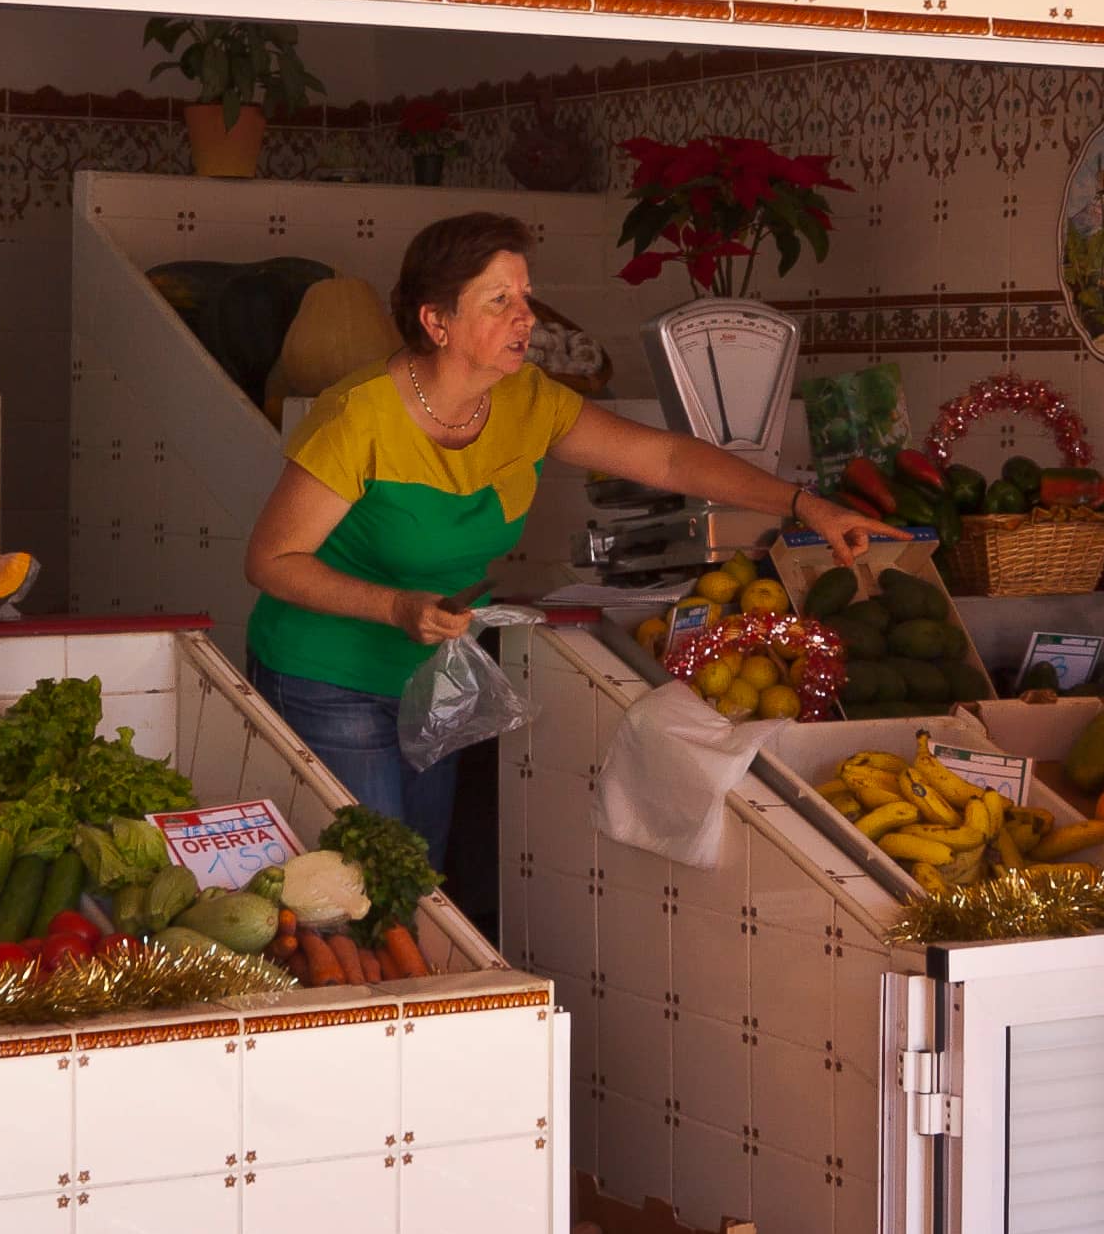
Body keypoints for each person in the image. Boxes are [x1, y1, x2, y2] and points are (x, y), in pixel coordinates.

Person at [243, 212, 881, 847]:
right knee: (366, 886)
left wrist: (804, 504)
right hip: (327, 677)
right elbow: (272, 560)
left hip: (431, 676)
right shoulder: (357, 417)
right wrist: (393, 605)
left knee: (419, 877)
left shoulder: (530, 400)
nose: (526, 317)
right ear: (437, 322)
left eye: (525, 295)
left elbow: (666, 459)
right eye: (499, 301)